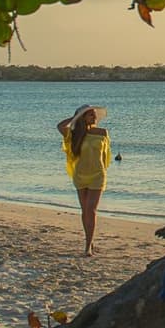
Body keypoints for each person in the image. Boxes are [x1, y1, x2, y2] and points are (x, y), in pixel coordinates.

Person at [56, 103, 111, 256]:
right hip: (80, 175)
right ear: (83, 117)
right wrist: (76, 117)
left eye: (94, 114)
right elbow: (60, 126)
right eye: (90, 114)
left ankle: (87, 246)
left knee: (91, 210)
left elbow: (105, 155)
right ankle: (90, 240)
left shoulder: (102, 132)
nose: (94, 117)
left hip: (97, 175)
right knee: (84, 210)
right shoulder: (75, 134)